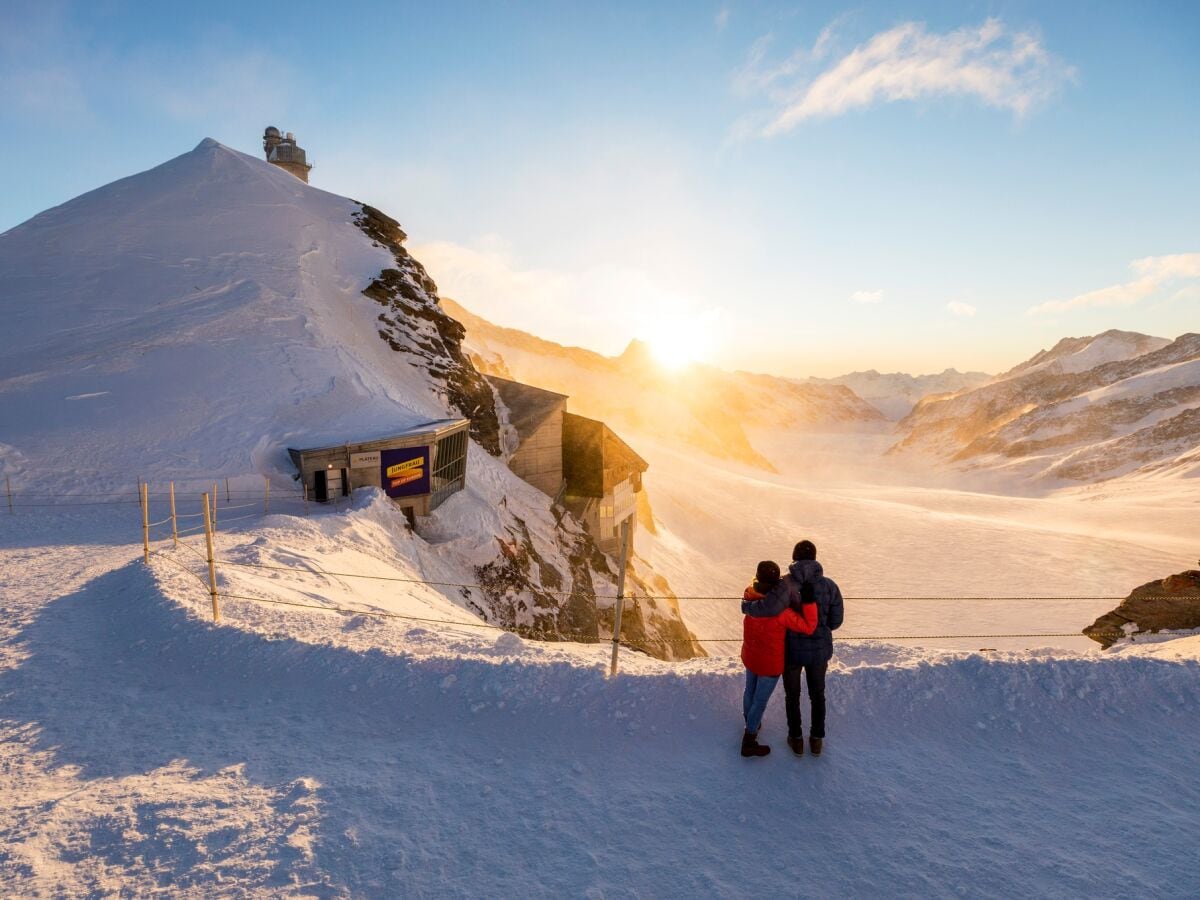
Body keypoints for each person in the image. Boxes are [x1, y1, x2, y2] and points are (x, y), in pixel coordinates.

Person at [739, 560, 817, 758]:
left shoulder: (749, 597)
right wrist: (808, 602)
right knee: (760, 701)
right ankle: (749, 739)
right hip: (769, 664)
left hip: (750, 656)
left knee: (749, 691)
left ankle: (751, 723)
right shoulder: (781, 613)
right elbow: (808, 626)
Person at [781, 540, 844, 757]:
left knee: (792, 695)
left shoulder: (784, 584)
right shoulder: (829, 586)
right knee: (817, 694)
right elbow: (836, 622)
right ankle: (816, 740)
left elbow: (774, 615)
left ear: (794, 557)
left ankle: (795, 739)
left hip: (791, 650)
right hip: (819, 651)